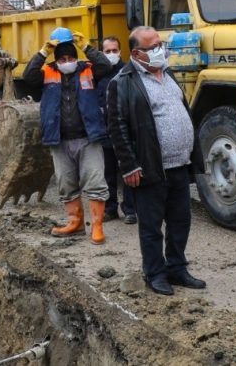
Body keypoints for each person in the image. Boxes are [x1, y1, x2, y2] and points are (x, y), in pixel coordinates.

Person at [106, 26, 205, 296]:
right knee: (151, 226)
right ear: (137, 53)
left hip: (179, 165)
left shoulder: (168, 74)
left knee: (180, 221)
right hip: (149, 168)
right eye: (154, 47)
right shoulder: (123, 82)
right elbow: (117, 127)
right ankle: (155, 273)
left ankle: (176, 268)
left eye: (161, 44)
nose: (161, 50)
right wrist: (129, 165)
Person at [23, 27, 112, 244]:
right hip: (59, 140)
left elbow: (106, 65)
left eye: (70, 56)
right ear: (56, 58)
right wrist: (43, 53)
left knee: (95, 181)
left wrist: (86, 47)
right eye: (62, 57)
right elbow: (28, 77)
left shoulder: (88, 69)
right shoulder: (47, 71)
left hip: (88, 138)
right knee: (65, 182)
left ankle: (97, 226)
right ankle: (75, 222)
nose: (66, 60)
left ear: (76, 56)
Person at [96, 35, 136, 224]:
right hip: (104, 131)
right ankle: (110, 208)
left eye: (114, 50)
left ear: (120, 51)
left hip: (123, 131)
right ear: (101, 53)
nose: (112, 54)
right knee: (108, 172)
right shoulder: (98, 74)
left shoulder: (128, 71)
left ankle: (130, 209)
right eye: (107, 51)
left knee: (127, 170)